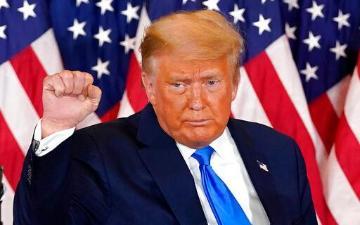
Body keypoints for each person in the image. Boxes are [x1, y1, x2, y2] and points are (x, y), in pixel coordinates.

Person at [14, 10, 317, 225]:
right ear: (149, 86)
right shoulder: (102, 153)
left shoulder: (278, 151)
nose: (197, 103)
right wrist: (56, 127)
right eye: (179, 84)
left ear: (234, 83)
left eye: (211, 83)